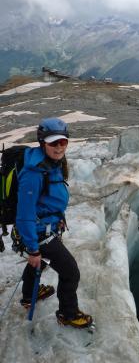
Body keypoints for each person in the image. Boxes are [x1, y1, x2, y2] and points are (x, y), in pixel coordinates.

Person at [16, 117, 93, 328]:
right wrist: (32, 249)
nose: (59, 147)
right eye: (53, 143)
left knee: (39, 263)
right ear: (42, 142)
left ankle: (28, 296)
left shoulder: (53, 163)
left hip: (49, 226)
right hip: (40, 233)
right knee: (70, 272)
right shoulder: (33, 174)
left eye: (63, 142)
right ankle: (67, 313)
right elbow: (24, 215)